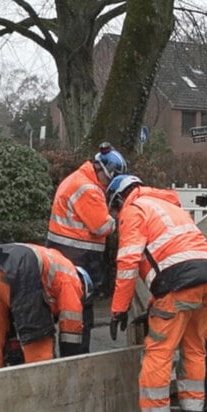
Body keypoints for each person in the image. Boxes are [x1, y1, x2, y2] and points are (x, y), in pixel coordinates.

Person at [105, 175, 207, 412]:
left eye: (114, 208)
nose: (115, 216)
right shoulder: (168, 207)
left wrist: (118, 309)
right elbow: (170, 258)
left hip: (180, 282)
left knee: (159, 350)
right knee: (194, 348)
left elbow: (128, 264)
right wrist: (153, 304)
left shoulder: (134, 210)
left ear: (120, 199)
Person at [46, 142, 127, 353]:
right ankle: (77, 356)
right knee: (80, 316)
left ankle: (64, 354)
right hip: (78, 260)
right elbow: (102, 226)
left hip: (65, 255)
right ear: (100, 170)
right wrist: (117, 218)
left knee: (64, 310)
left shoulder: (77, 180)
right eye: (109, 179)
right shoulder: (88, 189)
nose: (108, 185)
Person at [0, 243, 91, 371]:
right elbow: (71, 320)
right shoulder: (73, 278)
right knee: (39, 346)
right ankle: (40, 388)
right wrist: (70, 359)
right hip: (21, 270)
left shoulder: (53, 261)